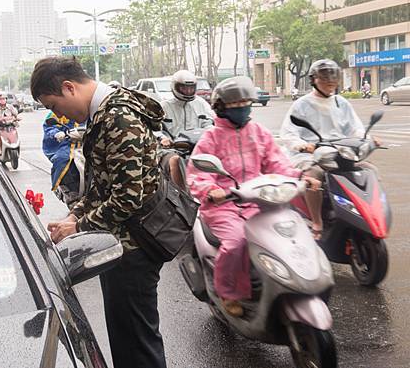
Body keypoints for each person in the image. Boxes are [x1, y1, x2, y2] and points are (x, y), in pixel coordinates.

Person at [31, 56, 167, 368]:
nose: (58, 114)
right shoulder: (104, 113)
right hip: (121, 241)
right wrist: (74, 215)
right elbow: (103, 184)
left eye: (54, 105)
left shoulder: (118, 117)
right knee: (126, 335)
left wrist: (78, 227)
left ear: (69, 87)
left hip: (134, 246)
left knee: (137, 343)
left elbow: (128, 197)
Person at [187, 76, 321, 317]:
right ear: (221, 107)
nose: (242, 107)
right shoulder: (211, 138)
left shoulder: (258, 132)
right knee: (237, 241)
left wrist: (300, 176)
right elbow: (197, 174)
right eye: (236, 104)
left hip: (260, 199)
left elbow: (277, 162)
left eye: (245, 102)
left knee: (288, 231)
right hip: (224, 205)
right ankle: (228, 292)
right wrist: (211, 190)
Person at [279, 59, 378, 237]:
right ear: (314, 79)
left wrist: (366, 140)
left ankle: (368, 213)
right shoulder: (302, 104)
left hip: (339, 152)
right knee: (313, 176)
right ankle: (317, 221)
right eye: (324, 76)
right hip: (311, 154)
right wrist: (301, 145)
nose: (330, 80)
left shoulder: (341, 102)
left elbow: (355, 128)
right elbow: (288, 132)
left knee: (369, 170)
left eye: (333, 76)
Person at [158, 70, 214, 190]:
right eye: (184, 88)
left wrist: (210, 135)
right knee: (174, 161)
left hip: (199, 147)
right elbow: (154, 128)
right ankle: (181, 194)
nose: (188, 91)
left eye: (190, 88)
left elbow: (209, 123)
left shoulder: (201, 104)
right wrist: (163, 138)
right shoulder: (163, 106)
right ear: (175, 87)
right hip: (172, 148)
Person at [42, 112, 84, 194]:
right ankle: (64, 186)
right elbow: (49, 127)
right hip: (65, 143)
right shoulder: (57, 112)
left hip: (84, 141)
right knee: (62, 159)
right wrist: (57, 134)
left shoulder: (86, 109)